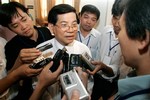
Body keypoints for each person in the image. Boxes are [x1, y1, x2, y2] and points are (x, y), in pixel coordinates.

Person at [89, 0, 150, 99]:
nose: (119, 35)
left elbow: (116, 69)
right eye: (114, 18)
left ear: (142, 38)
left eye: (122, 28)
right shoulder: (105, 31)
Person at [36, 4, 91, 99]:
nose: (71, 30)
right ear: (51, 27)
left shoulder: (83, 49)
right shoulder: (41, 51)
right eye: (64, 25)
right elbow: (36, 84)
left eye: (74, 25)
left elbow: (90, 79)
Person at [0, 2, 54, 99]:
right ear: (10, 29)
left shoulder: (45, 31)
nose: (24, 27)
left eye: (24, 19)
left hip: (53, 84)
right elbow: (10, 78)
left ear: (29, 15)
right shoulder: (11, 46)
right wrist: (18, 61)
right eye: (15, 26)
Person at [89, 0, 128, 99]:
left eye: (121, 20)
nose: (116, 24)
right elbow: (98, 50)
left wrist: (104, 67)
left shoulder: (128, 41)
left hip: (111, 82)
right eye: (115, 18)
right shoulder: (106, 29)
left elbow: (118, 68)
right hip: (96, 76)